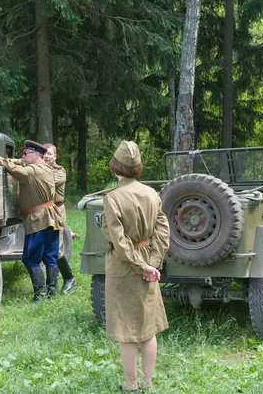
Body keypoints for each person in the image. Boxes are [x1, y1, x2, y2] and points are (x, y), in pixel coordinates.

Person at [101, 141, 170, 393]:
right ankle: (148, 383)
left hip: (123, 265)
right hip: (145, 261)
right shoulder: (152, 194)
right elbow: (163, 230)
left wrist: (142, 266)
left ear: (115, 166)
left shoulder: (112, 198)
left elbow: (119, 242)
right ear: (138, 166)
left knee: (126, 329)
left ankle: (131, 385)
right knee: (147, 328)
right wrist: (152, 262)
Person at [0, 140, 63, 301]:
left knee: (30, 258)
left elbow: (15, 169)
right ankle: (51, 292)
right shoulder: (45, 167)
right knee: (50, 255)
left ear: (36, 155)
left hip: (38, 220)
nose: (22, 156)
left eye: (25, 153)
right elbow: (22, 162)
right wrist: (14, 159)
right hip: (52, 217)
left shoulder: (31, 172)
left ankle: (40, 294)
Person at [43, 143, 76, 294]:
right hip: (43, 212)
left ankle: (69, 278)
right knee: (45, 249)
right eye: (44, 153)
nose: (46, 156)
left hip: (56, 210)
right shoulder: (39, 168)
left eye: (49, 154)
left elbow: (49, 183)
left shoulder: (59, 171)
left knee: (55, 249)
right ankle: (51, 285)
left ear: (55, 156)